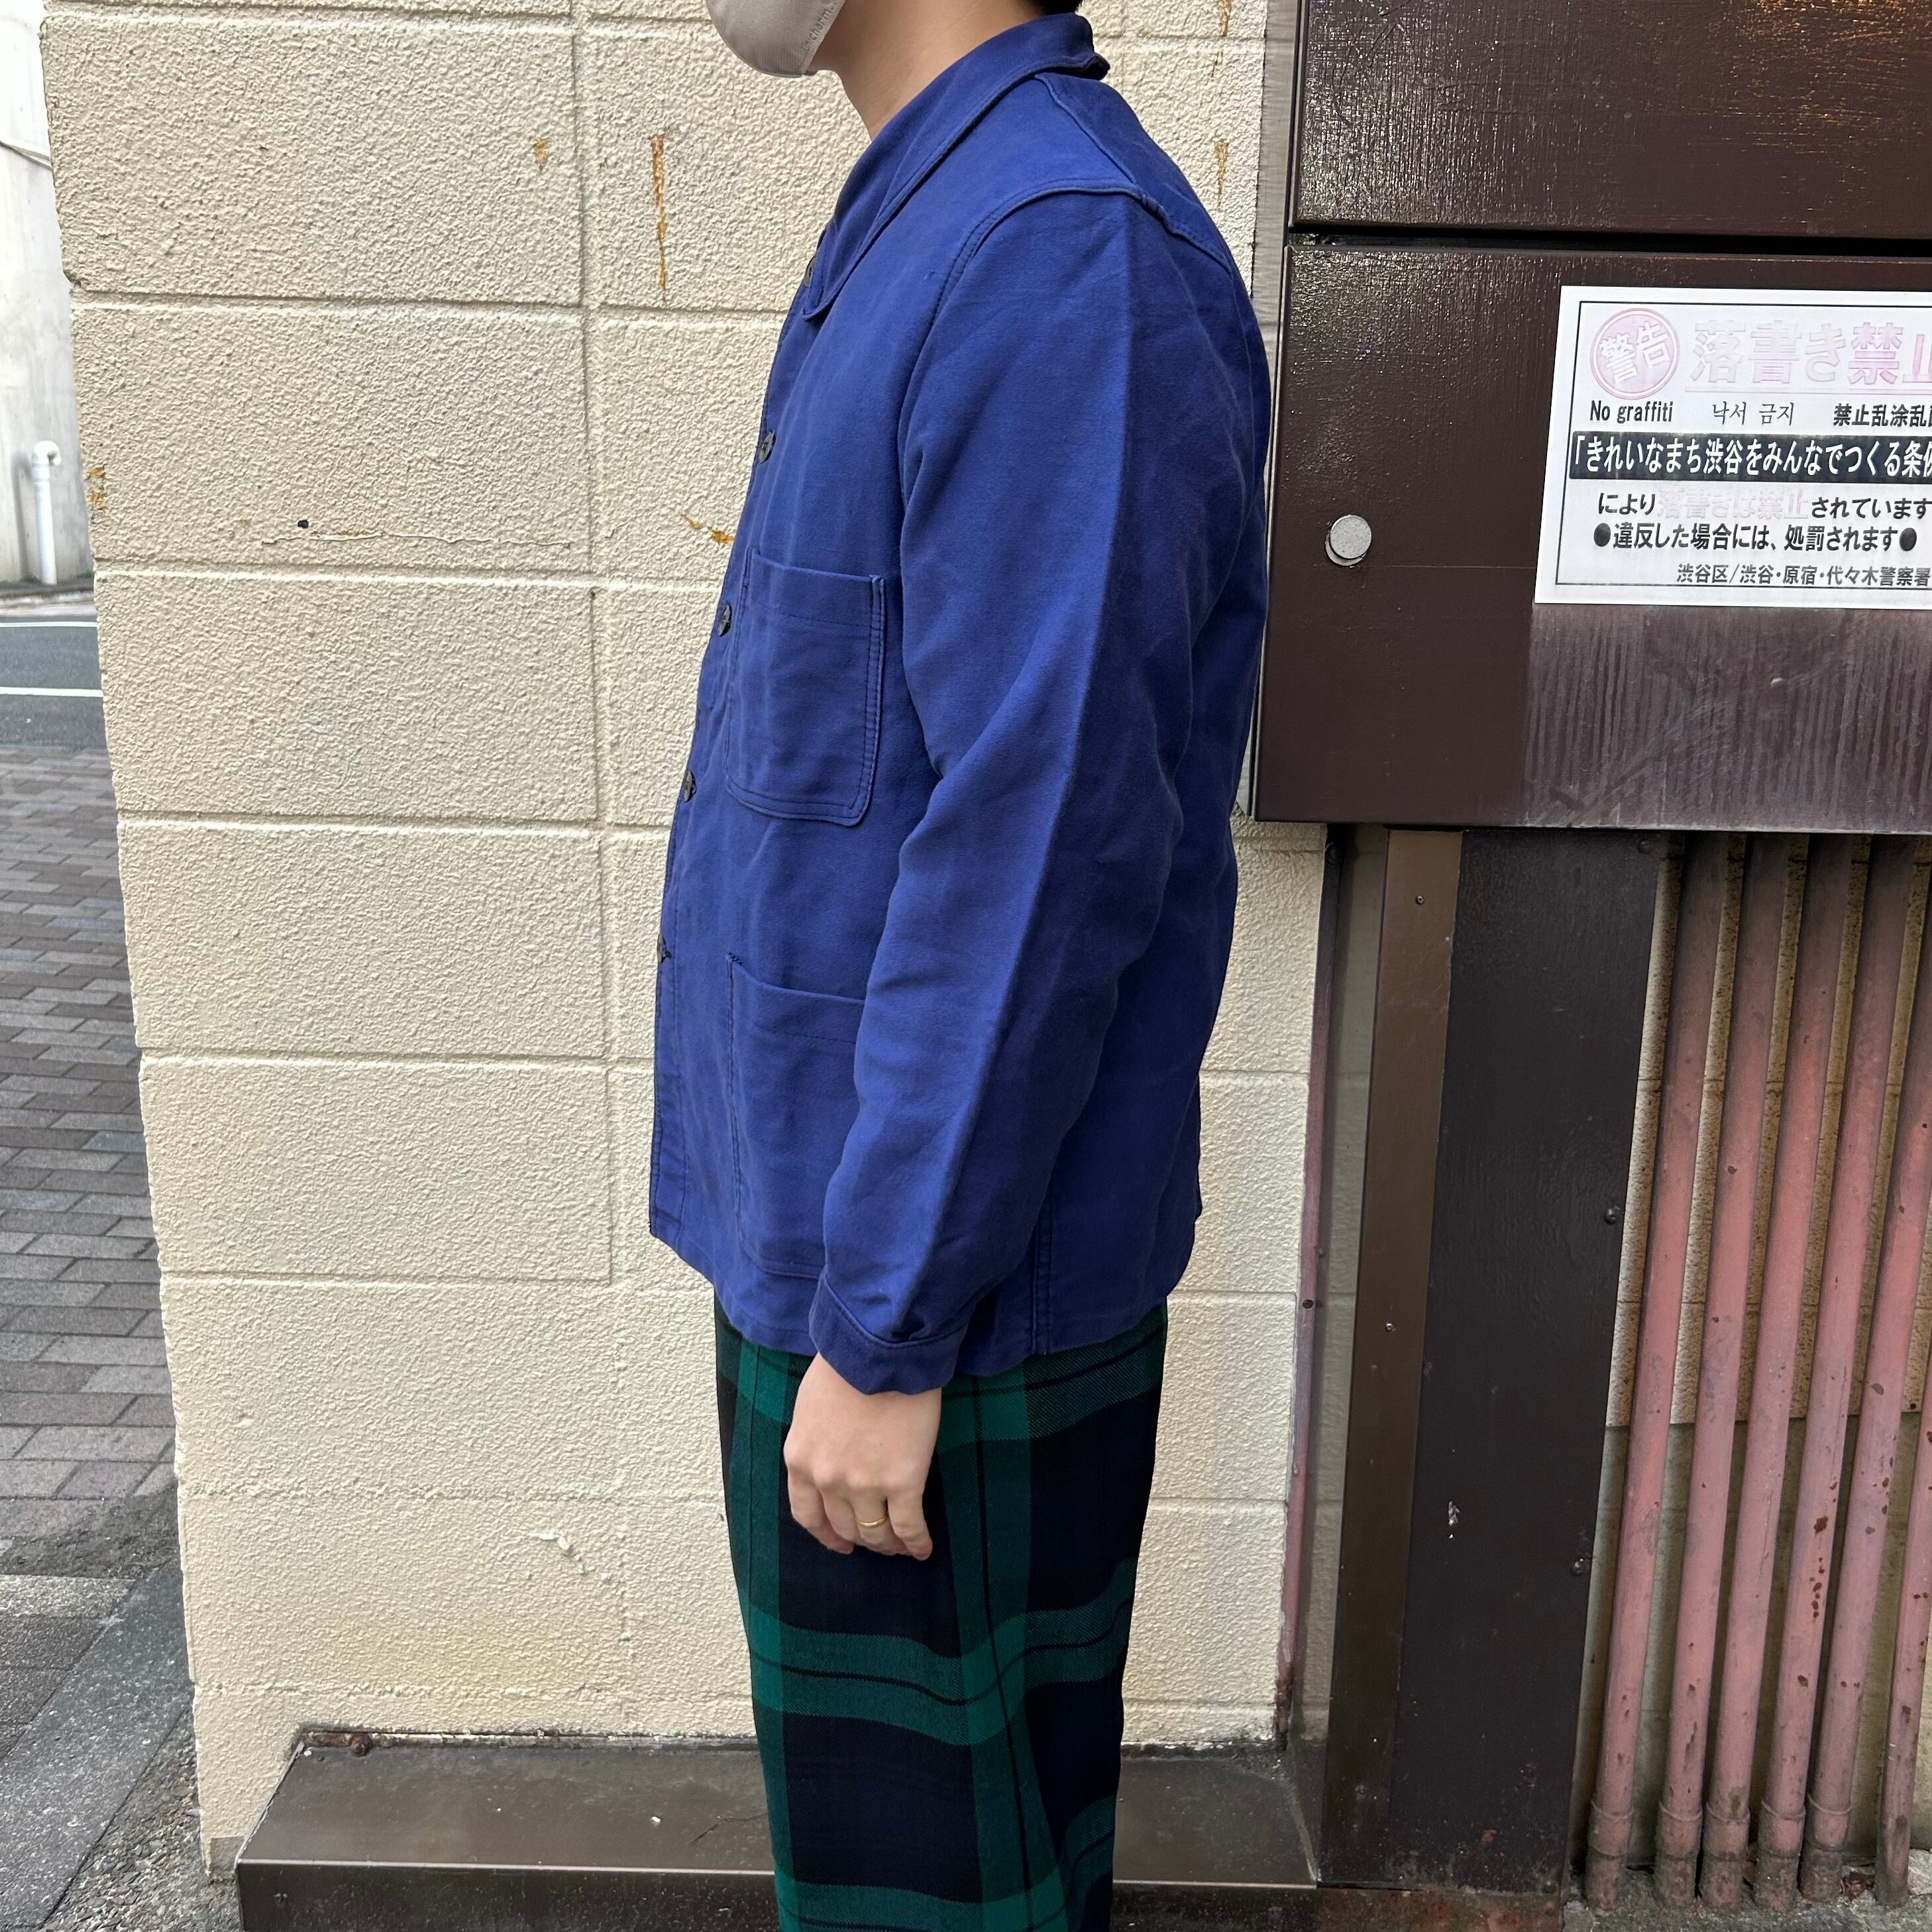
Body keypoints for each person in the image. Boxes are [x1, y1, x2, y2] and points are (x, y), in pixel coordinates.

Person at [650, 0, 1271, 1918]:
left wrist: (886, 1330)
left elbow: (1040, 849)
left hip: (940, 1304)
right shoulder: (943, 214)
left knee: (945, 1891)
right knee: (898, 1873)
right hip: (865, 1260)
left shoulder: (1057, 256)